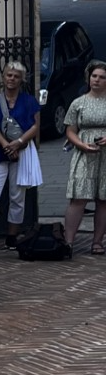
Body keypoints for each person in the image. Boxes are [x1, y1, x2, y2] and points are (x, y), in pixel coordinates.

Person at [0, 61, 42, 248]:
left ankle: (12, 236)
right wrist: (5, 144)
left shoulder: (29, 101)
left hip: (22, 152)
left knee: (18, 196)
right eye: (9, 75)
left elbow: (35, 125)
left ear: (21, 79)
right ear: (3, 76)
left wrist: (18, 143)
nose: (12, 79)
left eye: (16, 76)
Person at [63, 60, 106, 253]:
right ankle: (68, 241)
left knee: (103, 199)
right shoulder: (78, 103)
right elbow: (70, 130)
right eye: (94, 76)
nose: (97, 80)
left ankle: (97, 242)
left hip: (105, 154)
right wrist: (81, 144)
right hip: (85, 151)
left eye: (102, 77)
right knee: (79, 196)